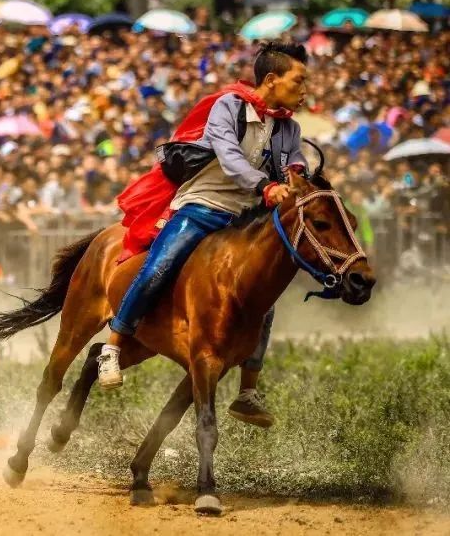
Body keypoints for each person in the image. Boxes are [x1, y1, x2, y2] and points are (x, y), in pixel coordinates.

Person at [98, 42, 309, 429]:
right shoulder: (227, 106)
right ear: (271, 79)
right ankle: (112, 347)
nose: (305, 89)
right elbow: (228, 156)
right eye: (299, 80)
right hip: (203, 206)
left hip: (245, 219)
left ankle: (248, 392)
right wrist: (265, 186)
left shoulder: (289, 126)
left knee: (265, 299)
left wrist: (297, 172)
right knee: (160, 266)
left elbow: (296, 158)